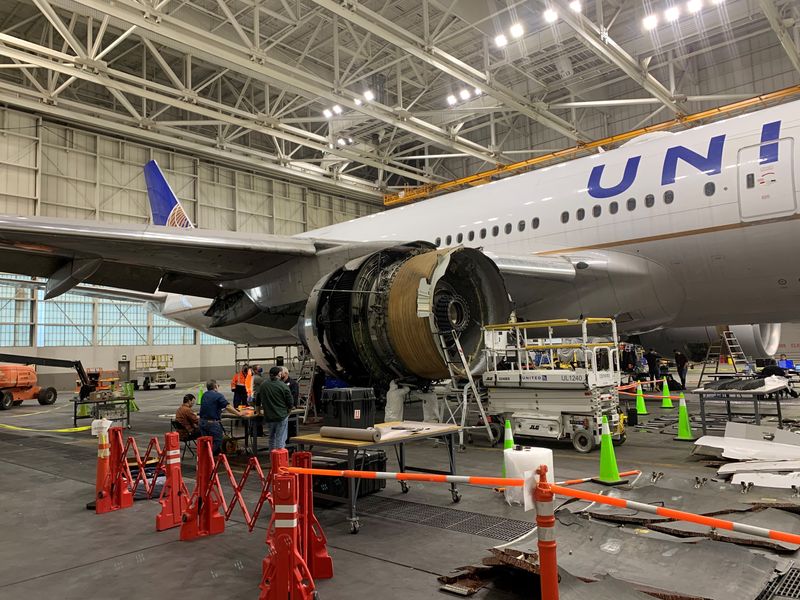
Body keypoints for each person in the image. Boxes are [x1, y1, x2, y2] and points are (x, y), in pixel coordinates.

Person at [255, 366, 294, 450]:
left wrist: (258, 411)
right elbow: (290, 403)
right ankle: (279, 459)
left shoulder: (263, 385)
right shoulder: (283, 386)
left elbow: (257, 400)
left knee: (271, 438)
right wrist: (288, 413)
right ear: (279, 374)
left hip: (269, 416)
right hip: (281, 416)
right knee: (280, 439)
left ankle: (272, 457)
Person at [199, 379, 242, 454]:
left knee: (207, 442)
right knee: (218, 440)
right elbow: (227, 406)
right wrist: (238, 414)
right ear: (215, 386)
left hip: (202, 422)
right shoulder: (218, 395)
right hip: (212, 423)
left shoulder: (204, 395)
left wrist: (219, 410)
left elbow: (210, 406)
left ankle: (204, 458)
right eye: (218, 385)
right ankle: (207, 455)